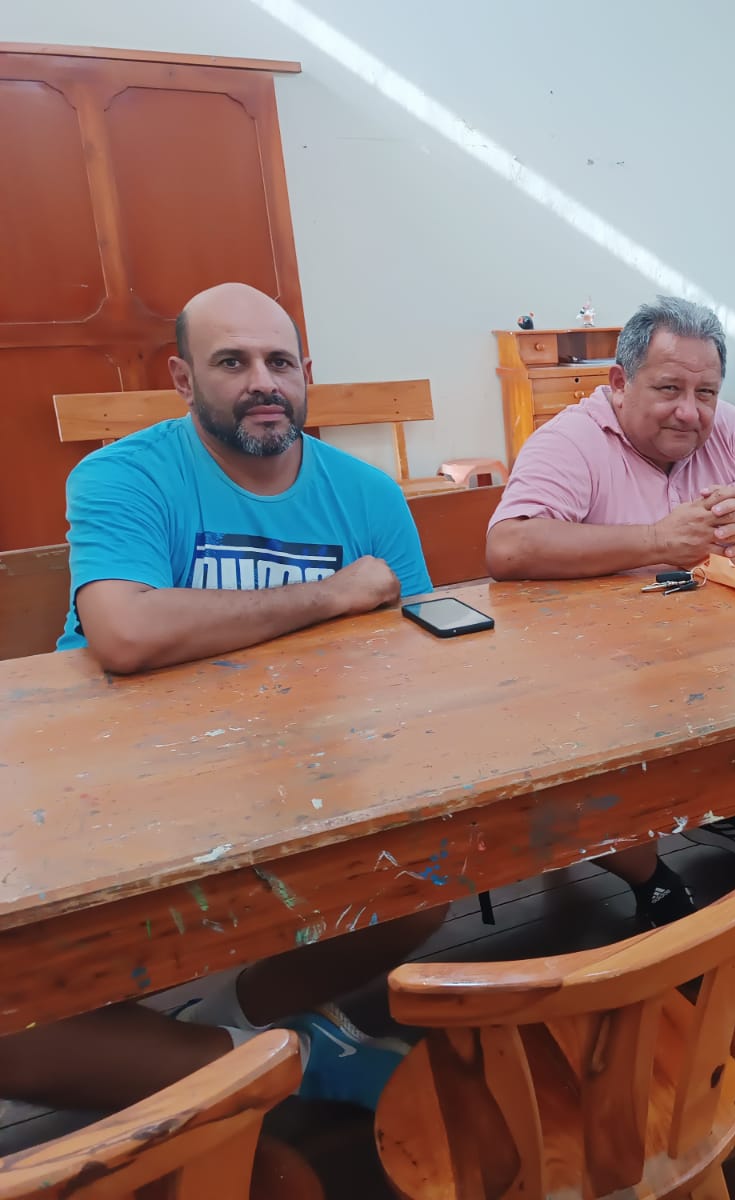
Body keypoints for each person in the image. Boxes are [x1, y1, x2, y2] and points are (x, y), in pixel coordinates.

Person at [5, 282, 445, 1115]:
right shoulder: (123, 474)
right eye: (231, 362)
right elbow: (124, 633)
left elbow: (416, 653)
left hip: (308, 778)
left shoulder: (367, 493)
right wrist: (332, 595)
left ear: (306, 372)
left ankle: (221, 1026)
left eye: (280, 362)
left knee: (429, 886)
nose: (262, 382)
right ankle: (290, 1062)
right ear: (183, 378)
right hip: (118, 796)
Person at [486, 295, 735, 925]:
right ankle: (651, 875)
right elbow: (508, 546)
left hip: (715, 662)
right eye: (669, 388)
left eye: (706, 393)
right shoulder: (570, 440)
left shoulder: (727, 427)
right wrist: (655, 541)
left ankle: (721, 803)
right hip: (594, 677)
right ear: (620, 384)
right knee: (580, 758)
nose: (690, 411)